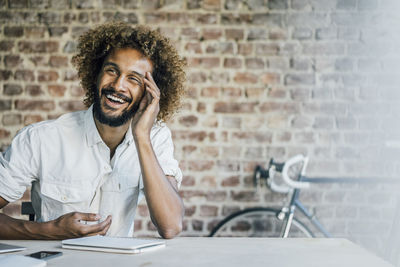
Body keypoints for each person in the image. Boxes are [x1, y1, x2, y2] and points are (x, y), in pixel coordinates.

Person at [0, 21, 186, 239]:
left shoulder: (155, 137)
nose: (118, 86)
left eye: (133, 79)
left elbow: (171, 226)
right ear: (95, 75)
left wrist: (142, 137)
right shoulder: (41, 139)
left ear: (150, 93)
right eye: (111, 71)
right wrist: (48, 230)